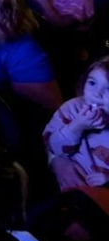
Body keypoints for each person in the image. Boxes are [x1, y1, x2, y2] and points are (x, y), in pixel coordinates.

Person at [42, 55, 109, 194]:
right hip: (65, 190)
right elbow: (52, 147)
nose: (96, 94)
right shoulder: (72, 108)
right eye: (92, 83)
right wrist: (77, 126)